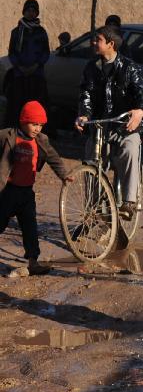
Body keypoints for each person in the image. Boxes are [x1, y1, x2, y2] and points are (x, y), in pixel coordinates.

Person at [75, 25, 143, 220]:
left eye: (97, 40)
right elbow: (85, 94)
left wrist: (139, 112)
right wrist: (83, 115)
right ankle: (92, 210)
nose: (93, 43)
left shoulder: (129, 67)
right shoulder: (91, 68)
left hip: (124, 126)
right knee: (92, 160)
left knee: (130, 149)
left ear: (111, 44)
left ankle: (129, 202)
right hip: (100, 126)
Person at [0, 101, 72, 277]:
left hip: (26, 193)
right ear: (23, 121)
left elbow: (53, 157)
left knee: (30, 228)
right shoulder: (6, 136)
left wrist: (64, 174)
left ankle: (33, 262)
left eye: (40, 125)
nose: (37, 128)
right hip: (7, 191)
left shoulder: (41, 140)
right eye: (34, 124)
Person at [5, 0, 50, 127]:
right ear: (24, 12)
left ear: (37, 13)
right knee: (17, 104)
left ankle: (36, 129)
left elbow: (45, 52)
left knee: (36, 104)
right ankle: (16, 129)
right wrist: (20, 67)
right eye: (28, 10)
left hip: (36, 74)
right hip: (19, 74)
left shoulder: (41, 32)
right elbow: (12, 53)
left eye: (33, 11)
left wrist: (35, 66)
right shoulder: (16, 32)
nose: (31, 13)